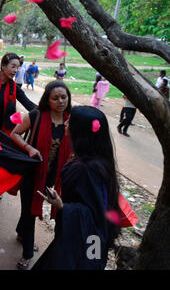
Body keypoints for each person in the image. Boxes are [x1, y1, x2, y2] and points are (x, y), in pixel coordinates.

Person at [32, 106, 121, 270]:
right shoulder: (95, 159)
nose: (65, 123)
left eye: (70, 121)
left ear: (80, 131)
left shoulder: (86, 169)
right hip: (80, 235)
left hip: (81, 240)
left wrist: (62, 206)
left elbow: (95, 214)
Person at [10, 80, 72, 269]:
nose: (60, 101)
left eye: (63, 97)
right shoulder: (35, 115)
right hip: (33, 174)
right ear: (48, 99)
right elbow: (14, 133)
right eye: (55, 98)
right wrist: (28, 148)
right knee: (30, 212)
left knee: (29, 210)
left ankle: (21, 232)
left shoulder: (72, 120)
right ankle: (28, 252)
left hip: (56, 177)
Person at [0, 53, 36, 133]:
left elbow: (28, 104)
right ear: (3, 66)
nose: (15, 70)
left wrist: (47, 111)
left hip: (4, 133)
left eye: (17, 67)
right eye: (13, 66)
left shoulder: (14, 88)